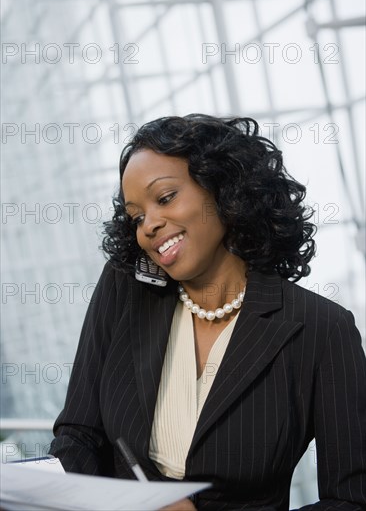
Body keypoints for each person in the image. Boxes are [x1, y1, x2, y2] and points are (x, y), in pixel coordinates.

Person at [50, 114, 366, 511]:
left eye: (164, 198)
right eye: (136, 216)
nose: (148, 225)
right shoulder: (125, 288)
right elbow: (78, 434)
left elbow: (351, 500)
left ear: (224, 189)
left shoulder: (322, 330)